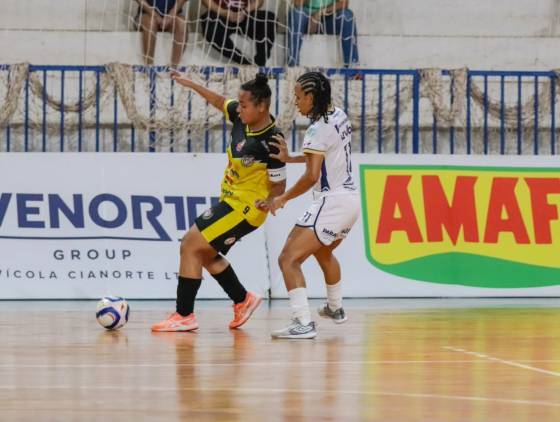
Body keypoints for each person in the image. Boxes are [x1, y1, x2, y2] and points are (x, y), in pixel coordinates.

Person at [152, 72, 287, 332]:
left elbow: (279, 183)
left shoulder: (272, 141)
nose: (240, 109)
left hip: (247, 208)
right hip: (230, 200)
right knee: (204, 252)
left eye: (245, 105)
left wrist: (271, 200)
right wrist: (192, 84)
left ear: (261, 107)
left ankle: (184, 315)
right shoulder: (241, 115)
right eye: (240, 104)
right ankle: (243, 299)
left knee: (190, 244)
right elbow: (219, 101)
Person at [266, 71, 360, 339]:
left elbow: (312, 175)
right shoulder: (339, 115)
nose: (296, 102)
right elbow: (322, 158)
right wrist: (290, 158)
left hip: (331, 202)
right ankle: (335, 307)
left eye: (298, 97)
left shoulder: (316, 130)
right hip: (350, 201)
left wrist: (282, 198)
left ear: (311, 96)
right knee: (323, 252)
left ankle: (302, 322)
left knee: (288, 259)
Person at [200, 0, 276, 66]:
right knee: (210, 27)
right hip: (220, 14)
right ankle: (245, 63)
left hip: (244, 14)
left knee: (270, 19)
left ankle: (260, 63)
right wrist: (223, 12)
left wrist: (245, 11)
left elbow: (259, 1)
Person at [288, 0, 359, 68]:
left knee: (347, 15)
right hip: (307, 21)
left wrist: (319, 13)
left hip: (328, 20)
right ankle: (293, 66)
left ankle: (352, 68)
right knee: (297, 13)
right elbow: (297, 4)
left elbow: (344, 3)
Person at [135, 0, 190, 67]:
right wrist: (155, 16)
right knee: (151, 22)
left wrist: (171, 15)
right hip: (146, 14)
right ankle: (149, 67)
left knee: (182, 23)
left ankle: (174, 68)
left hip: (173, 14)